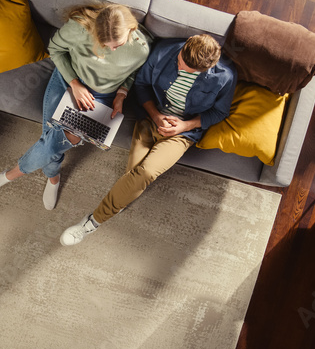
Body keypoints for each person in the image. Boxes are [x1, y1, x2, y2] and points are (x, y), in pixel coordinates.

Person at [59, 34, 236, 246]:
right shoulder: (164, 50)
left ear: (206, 69)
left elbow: (219, 112)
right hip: (149, 120)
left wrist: (186, 125)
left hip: (182, 134)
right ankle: (120, 200)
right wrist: (155, 115)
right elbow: (141, 85)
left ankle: (91, 223)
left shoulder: (226, 76)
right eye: (180, 62)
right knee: (132, 178)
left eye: (188, 71)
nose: (180, 69)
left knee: (146, 173)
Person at [0, 3, 151, 209]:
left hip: (102, 96)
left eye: (117, 45)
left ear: (131, 30)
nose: (111, 49)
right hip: (68, 81)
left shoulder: (142, 48)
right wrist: (75, 84)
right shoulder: (78, 28)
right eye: (104, 44)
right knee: (52, 138)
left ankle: (11, 176)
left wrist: (122, 94)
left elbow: (133, 72)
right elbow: (55, 49)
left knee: (57, 140)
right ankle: (52, 178)